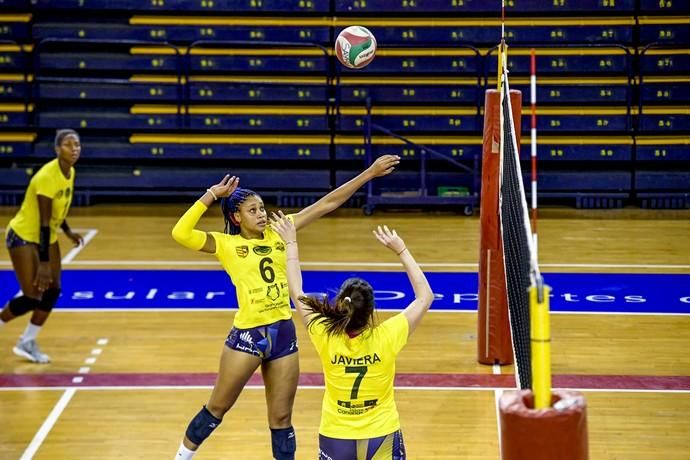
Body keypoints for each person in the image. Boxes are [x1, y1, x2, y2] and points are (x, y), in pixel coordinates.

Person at [170, 154, 400, 460]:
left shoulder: (282, 229)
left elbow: (326, 204)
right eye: (253, 211)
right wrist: (211, 195)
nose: (262, 214)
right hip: (249, 335)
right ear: (237, 217)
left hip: (283, 335)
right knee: (217, 408)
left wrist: (369, 173)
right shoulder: (224, 244)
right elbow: (180, 233)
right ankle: (181, 456)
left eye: (262, 208)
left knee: (281, 420)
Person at [271, 214, 434, 460]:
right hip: (382, 434)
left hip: (336, 436)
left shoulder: (324, 333)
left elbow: (295, 291)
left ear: (340, 303)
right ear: (371, 312)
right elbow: (425, 297)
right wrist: (401, 250)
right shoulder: (388, 335)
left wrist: (291, 243)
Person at [0, 129, 83, 363]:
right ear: (58, 149)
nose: (74, 148)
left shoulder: (70, 171)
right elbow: (44, 223)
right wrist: (44, 263)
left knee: (53, 290)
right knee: (32, 296)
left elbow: (58, 211)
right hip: (24, 236)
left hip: (47, 236)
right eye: (68, 145)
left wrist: (67, 231)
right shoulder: (47, 176)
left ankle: (27, 341)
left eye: (77, 144)